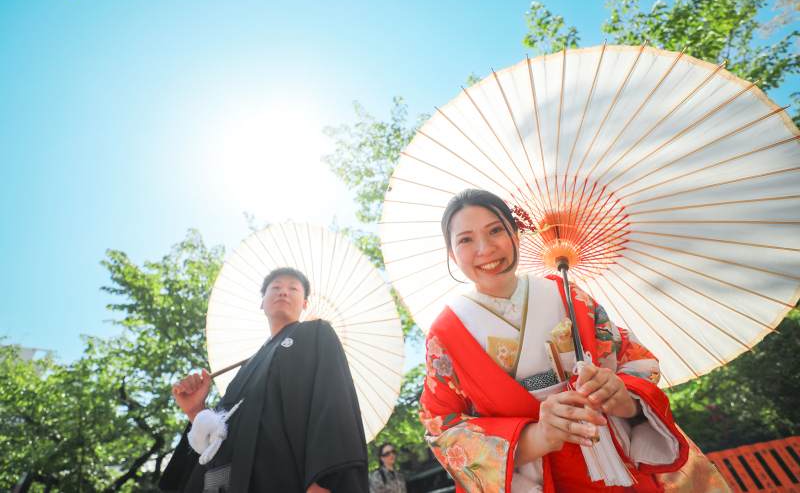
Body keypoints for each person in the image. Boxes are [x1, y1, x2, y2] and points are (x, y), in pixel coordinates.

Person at [417, 189, 731, 493]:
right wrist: (538, 436)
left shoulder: (568, 295)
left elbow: (631, 359)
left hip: (618, 456)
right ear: (451, 253)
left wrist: (621, 395)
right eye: (466, 239)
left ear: (515, 234)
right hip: (538, 474)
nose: (485, 249)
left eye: (496, 230)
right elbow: (441, 426)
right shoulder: (446, 334)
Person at [159, 267, 369, 493]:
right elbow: (219, 440)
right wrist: (196, 411)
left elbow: (333, 405)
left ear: (305, 304)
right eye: (276, 287)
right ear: (262, 302)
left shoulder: (316, 333)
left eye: (293, 288)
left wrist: (322, 484)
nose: (283, 292)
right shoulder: (246, 366)